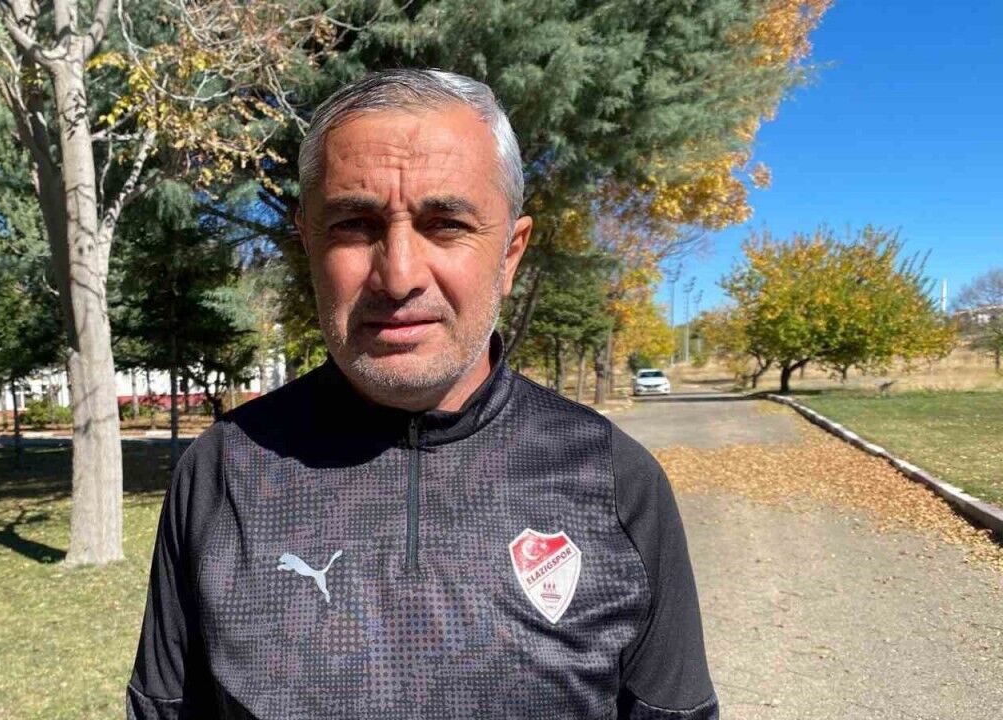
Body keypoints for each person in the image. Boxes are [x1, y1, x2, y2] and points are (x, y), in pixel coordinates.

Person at [126, 68, 718, 720]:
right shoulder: (222, 472)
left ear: (510, 253)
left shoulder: (615, 480)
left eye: (445, 224)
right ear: (308, 245)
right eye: (355, 224)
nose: (399, 275)